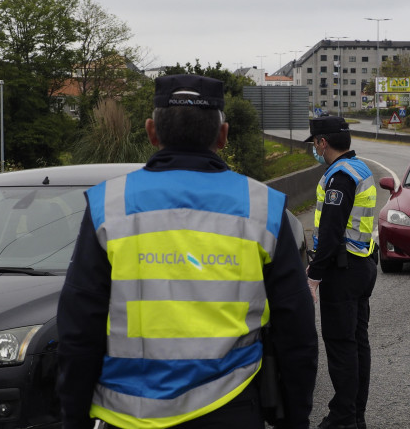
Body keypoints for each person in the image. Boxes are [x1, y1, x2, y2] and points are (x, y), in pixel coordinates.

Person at [56, 74, 318, 429]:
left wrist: (73, 417)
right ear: (223, 136)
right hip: (232, 408)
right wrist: (296, 418)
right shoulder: (263, 208)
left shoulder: (109, 204)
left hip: (128, 415)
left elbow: (78, 328)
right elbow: (295, 329)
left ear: (152, 132)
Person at [304, 117, 377, 429]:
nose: (315, 149)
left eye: (315, 144)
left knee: (341, 345)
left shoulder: (340, 177)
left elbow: (332, 232)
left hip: (343, 270)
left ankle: (343, 418)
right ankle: (355, 416)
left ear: (323, 142)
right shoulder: (360, 168)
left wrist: (314, 275)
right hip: (362, 265)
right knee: (357, 343)